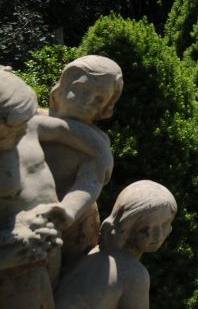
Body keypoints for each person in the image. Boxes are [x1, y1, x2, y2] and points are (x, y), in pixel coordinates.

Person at [0, 68, 111, 308]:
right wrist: (9, 253)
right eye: (12, 131)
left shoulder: (24, 126)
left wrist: (101, 151)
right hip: (13, 277)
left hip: (46, 257)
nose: (26, 128)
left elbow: (64, 130)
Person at [43, 56, 121, 267]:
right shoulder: (28, 117)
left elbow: (89, 183)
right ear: (60, 87)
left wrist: (66, 211)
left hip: (63, 230)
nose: (87, 102)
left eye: (98, 99)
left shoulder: (93, 148)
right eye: (81, 90)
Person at [55, 181, 177, 309]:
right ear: (127, 227)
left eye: (166, 223)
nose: (158, 235)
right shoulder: (133, 274)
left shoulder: (92, 254)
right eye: (145, 229)